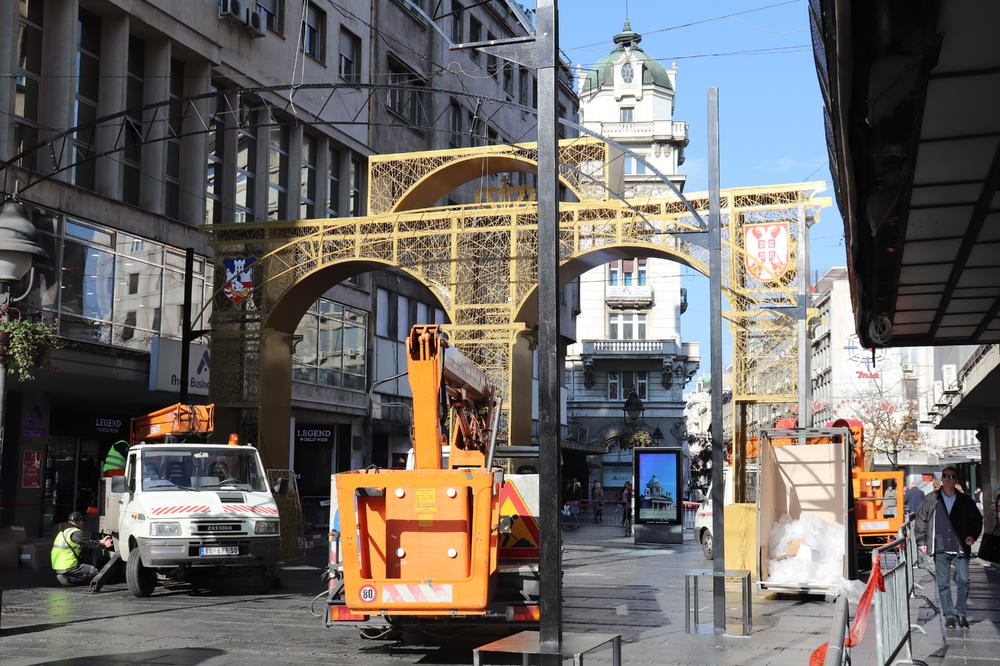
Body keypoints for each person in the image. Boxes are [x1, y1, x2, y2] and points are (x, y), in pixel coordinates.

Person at [914, 467, 983, 629]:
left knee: (964, 580)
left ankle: (961, 613)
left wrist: (972, 535)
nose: (949, 479)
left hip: (960, 546)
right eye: (946, 476)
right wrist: (921, 541)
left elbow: (977, 520)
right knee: (943, 583)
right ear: (942, 479)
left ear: (956, 480)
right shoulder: (931, 499)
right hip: (940, 546)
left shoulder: (965, 500)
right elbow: (921, 519)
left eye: (952, 477)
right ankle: (949, 616)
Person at [51, 511, 114, 587]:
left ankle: (66, 576)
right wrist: (104, 545)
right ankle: (69, 580)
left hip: (59, 566)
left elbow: (86, 541)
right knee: (95, 573)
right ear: (79, 522)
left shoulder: (64, 532)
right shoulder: (75, 533)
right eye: (82, 521)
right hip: (68, 565)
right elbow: (87, 543)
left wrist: (101, 541)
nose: (83, 523)